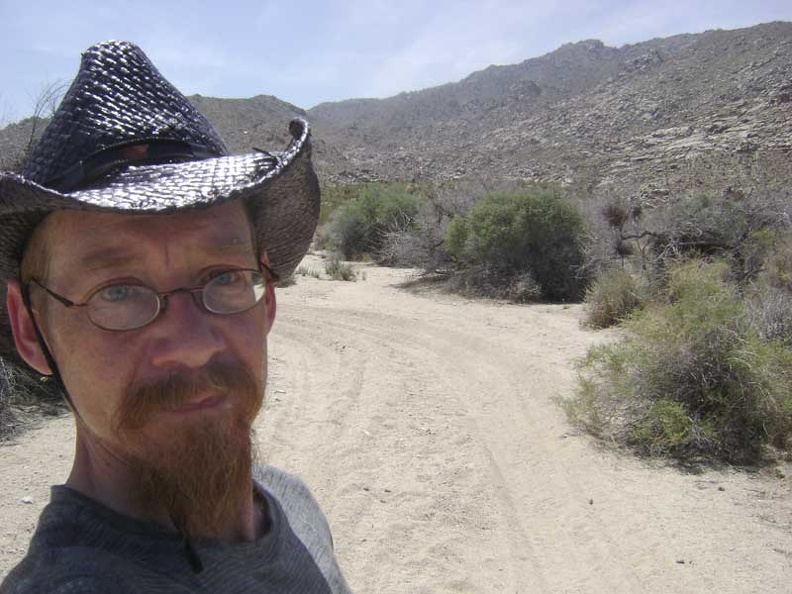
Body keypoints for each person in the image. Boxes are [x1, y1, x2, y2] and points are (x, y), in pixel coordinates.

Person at [0, 40, 351, 593]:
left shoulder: (292, 504)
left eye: (224, 277)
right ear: (29, 330)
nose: (190, 344)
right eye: (117, 291)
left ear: (269, 302)